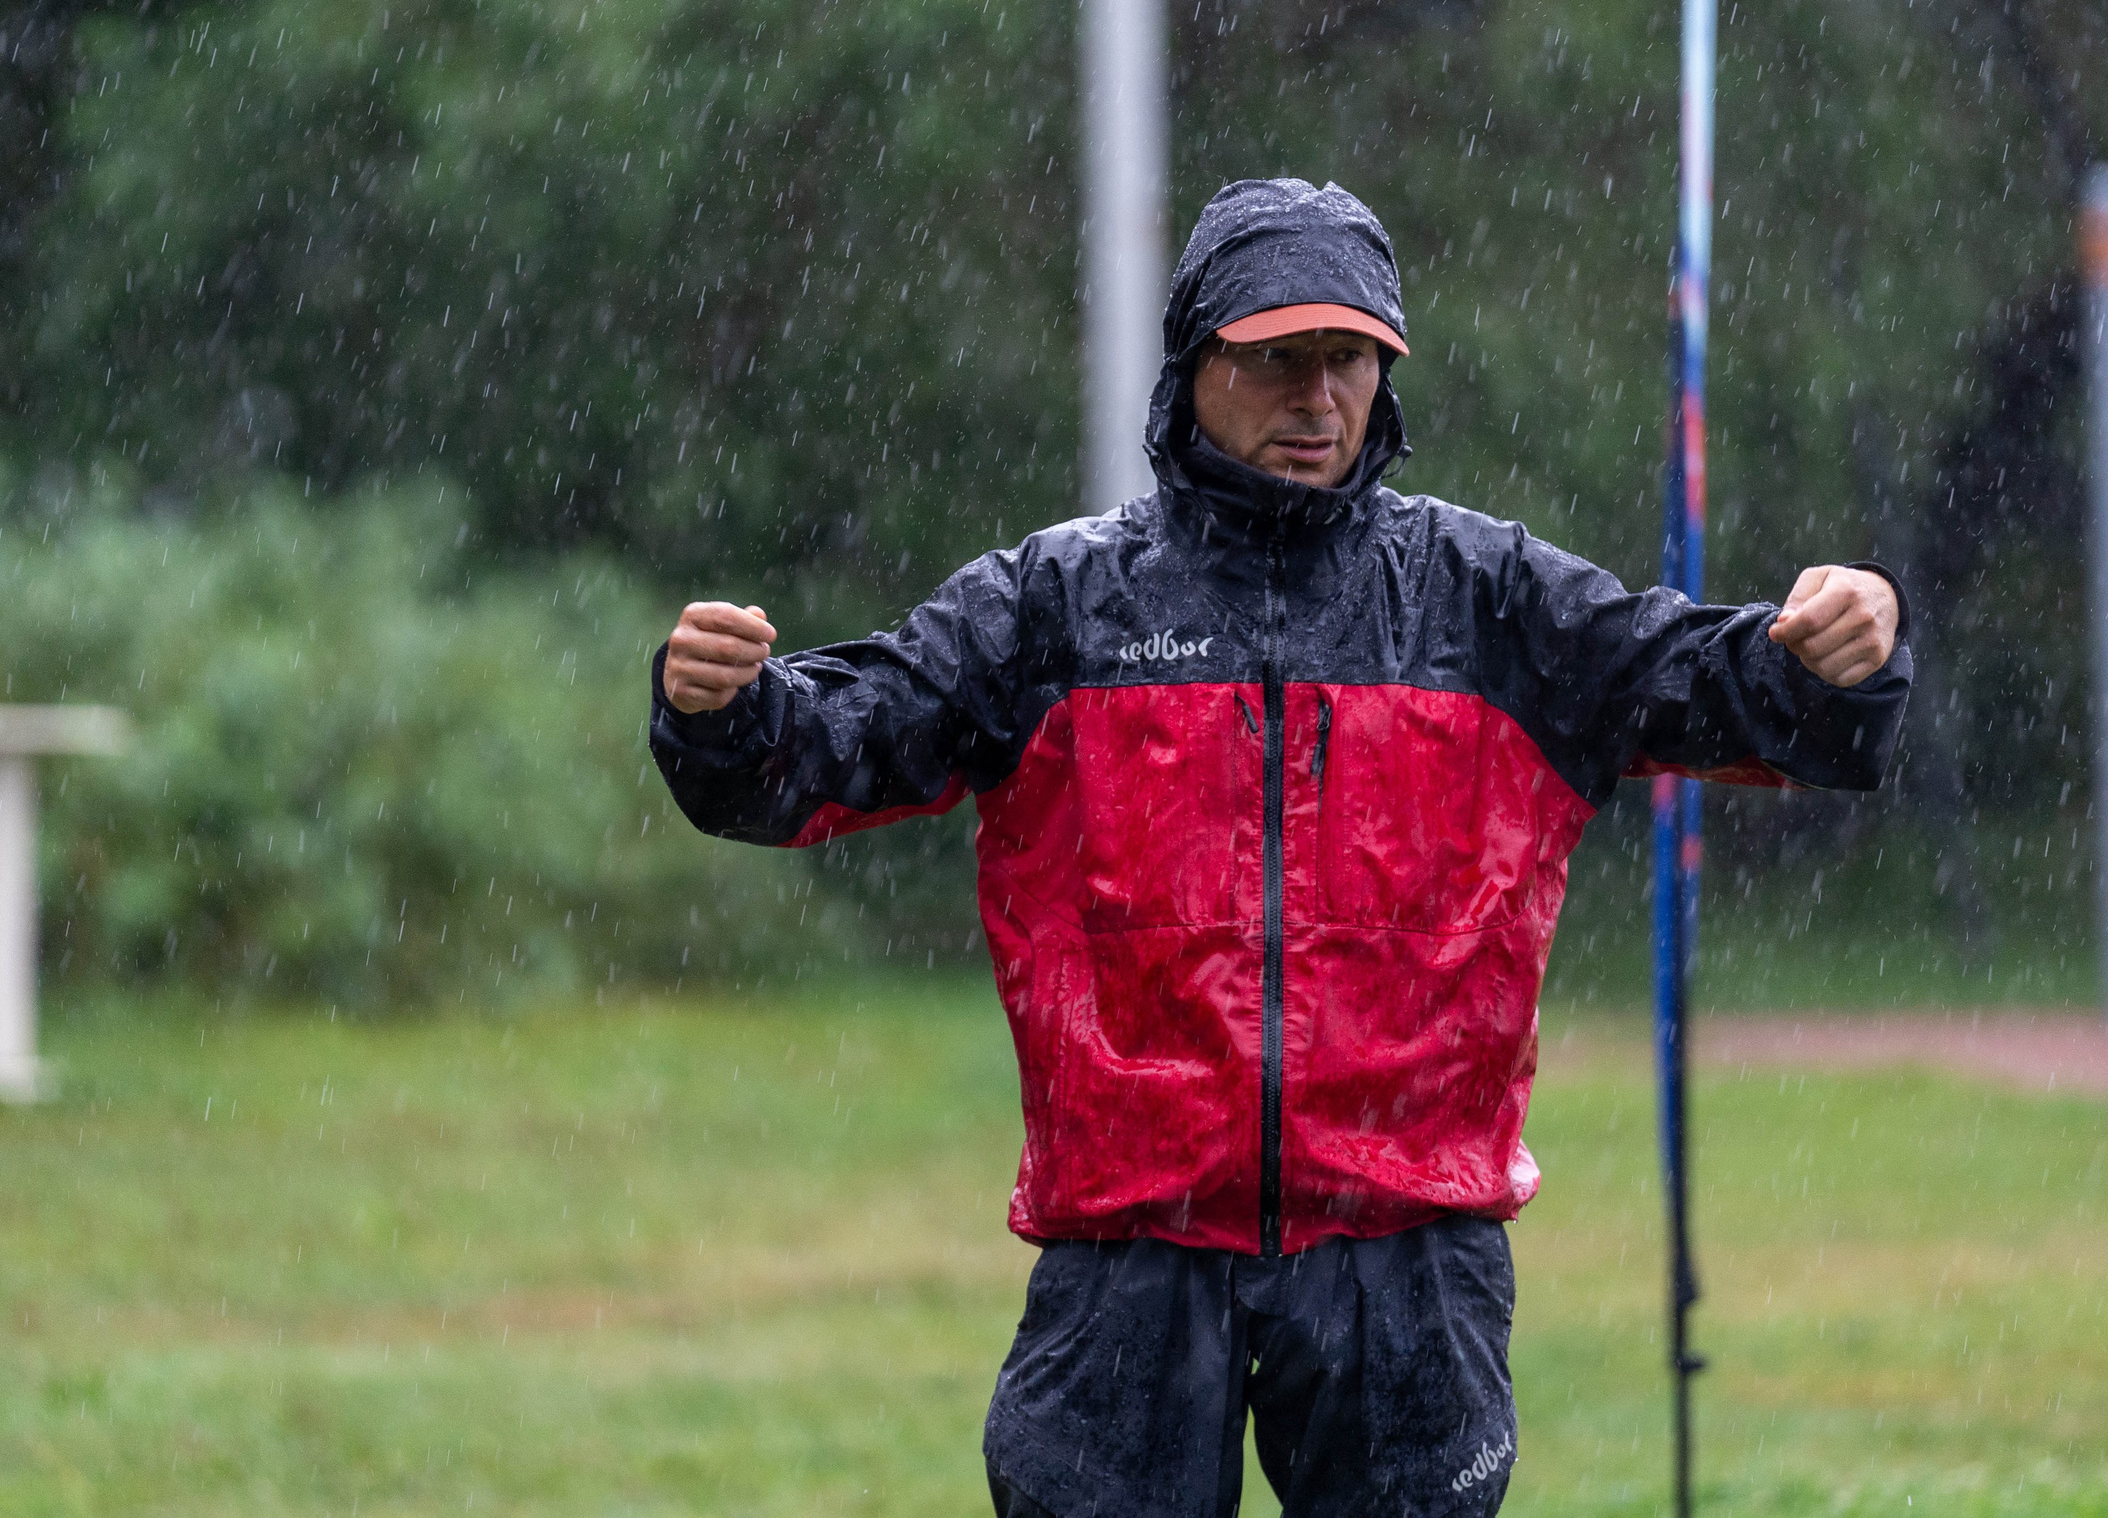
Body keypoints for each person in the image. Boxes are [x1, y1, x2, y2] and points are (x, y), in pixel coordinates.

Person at [650, 178, 1911, 1516]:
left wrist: (1845, 646)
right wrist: (726, 714)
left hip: (1409, 1257)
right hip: (1126, 1251)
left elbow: (1739, 690)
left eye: (1349, 359)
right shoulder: (1053, 606)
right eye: (1278, 358)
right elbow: (819, 754)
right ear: (1196, 364)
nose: (1317, 396)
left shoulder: (1485, 600)